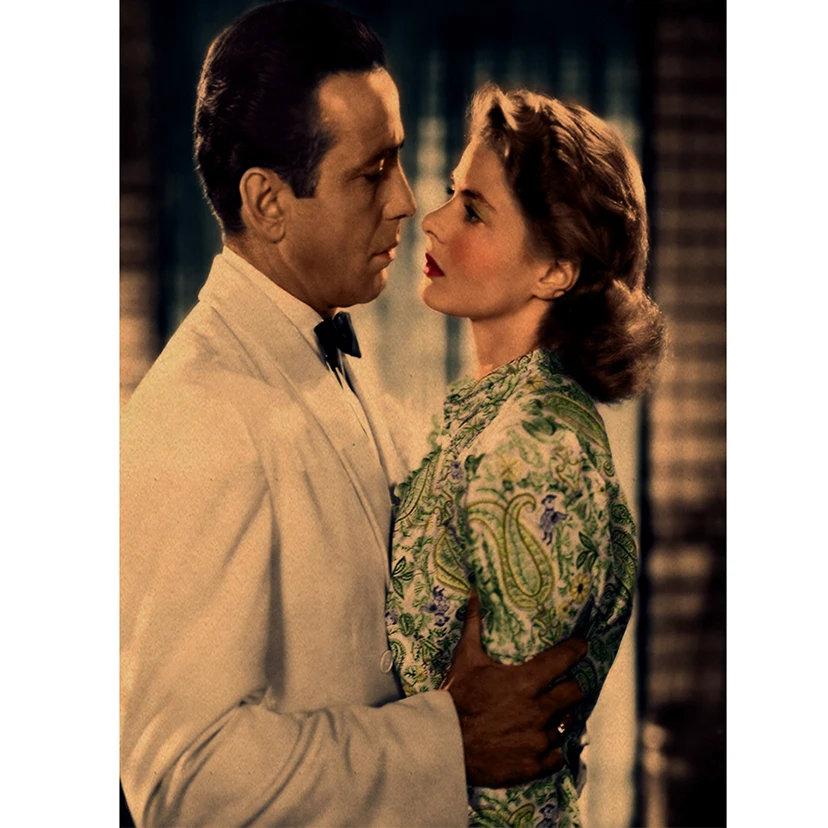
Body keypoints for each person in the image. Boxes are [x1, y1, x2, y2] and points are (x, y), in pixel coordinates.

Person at [120, 4, 588, 826]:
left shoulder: (330, 350)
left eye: (398, 160)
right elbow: (184, 778)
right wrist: (453, 742)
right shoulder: (199, 414)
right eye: (373, 172)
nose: (407, 201)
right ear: (268, 202)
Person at [386, 83, 666, 826]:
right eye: (451, 193)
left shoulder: (533, 449)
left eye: (474, 210)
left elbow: (511, 768)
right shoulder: (492, 417)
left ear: (555, 271)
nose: (434, 221)